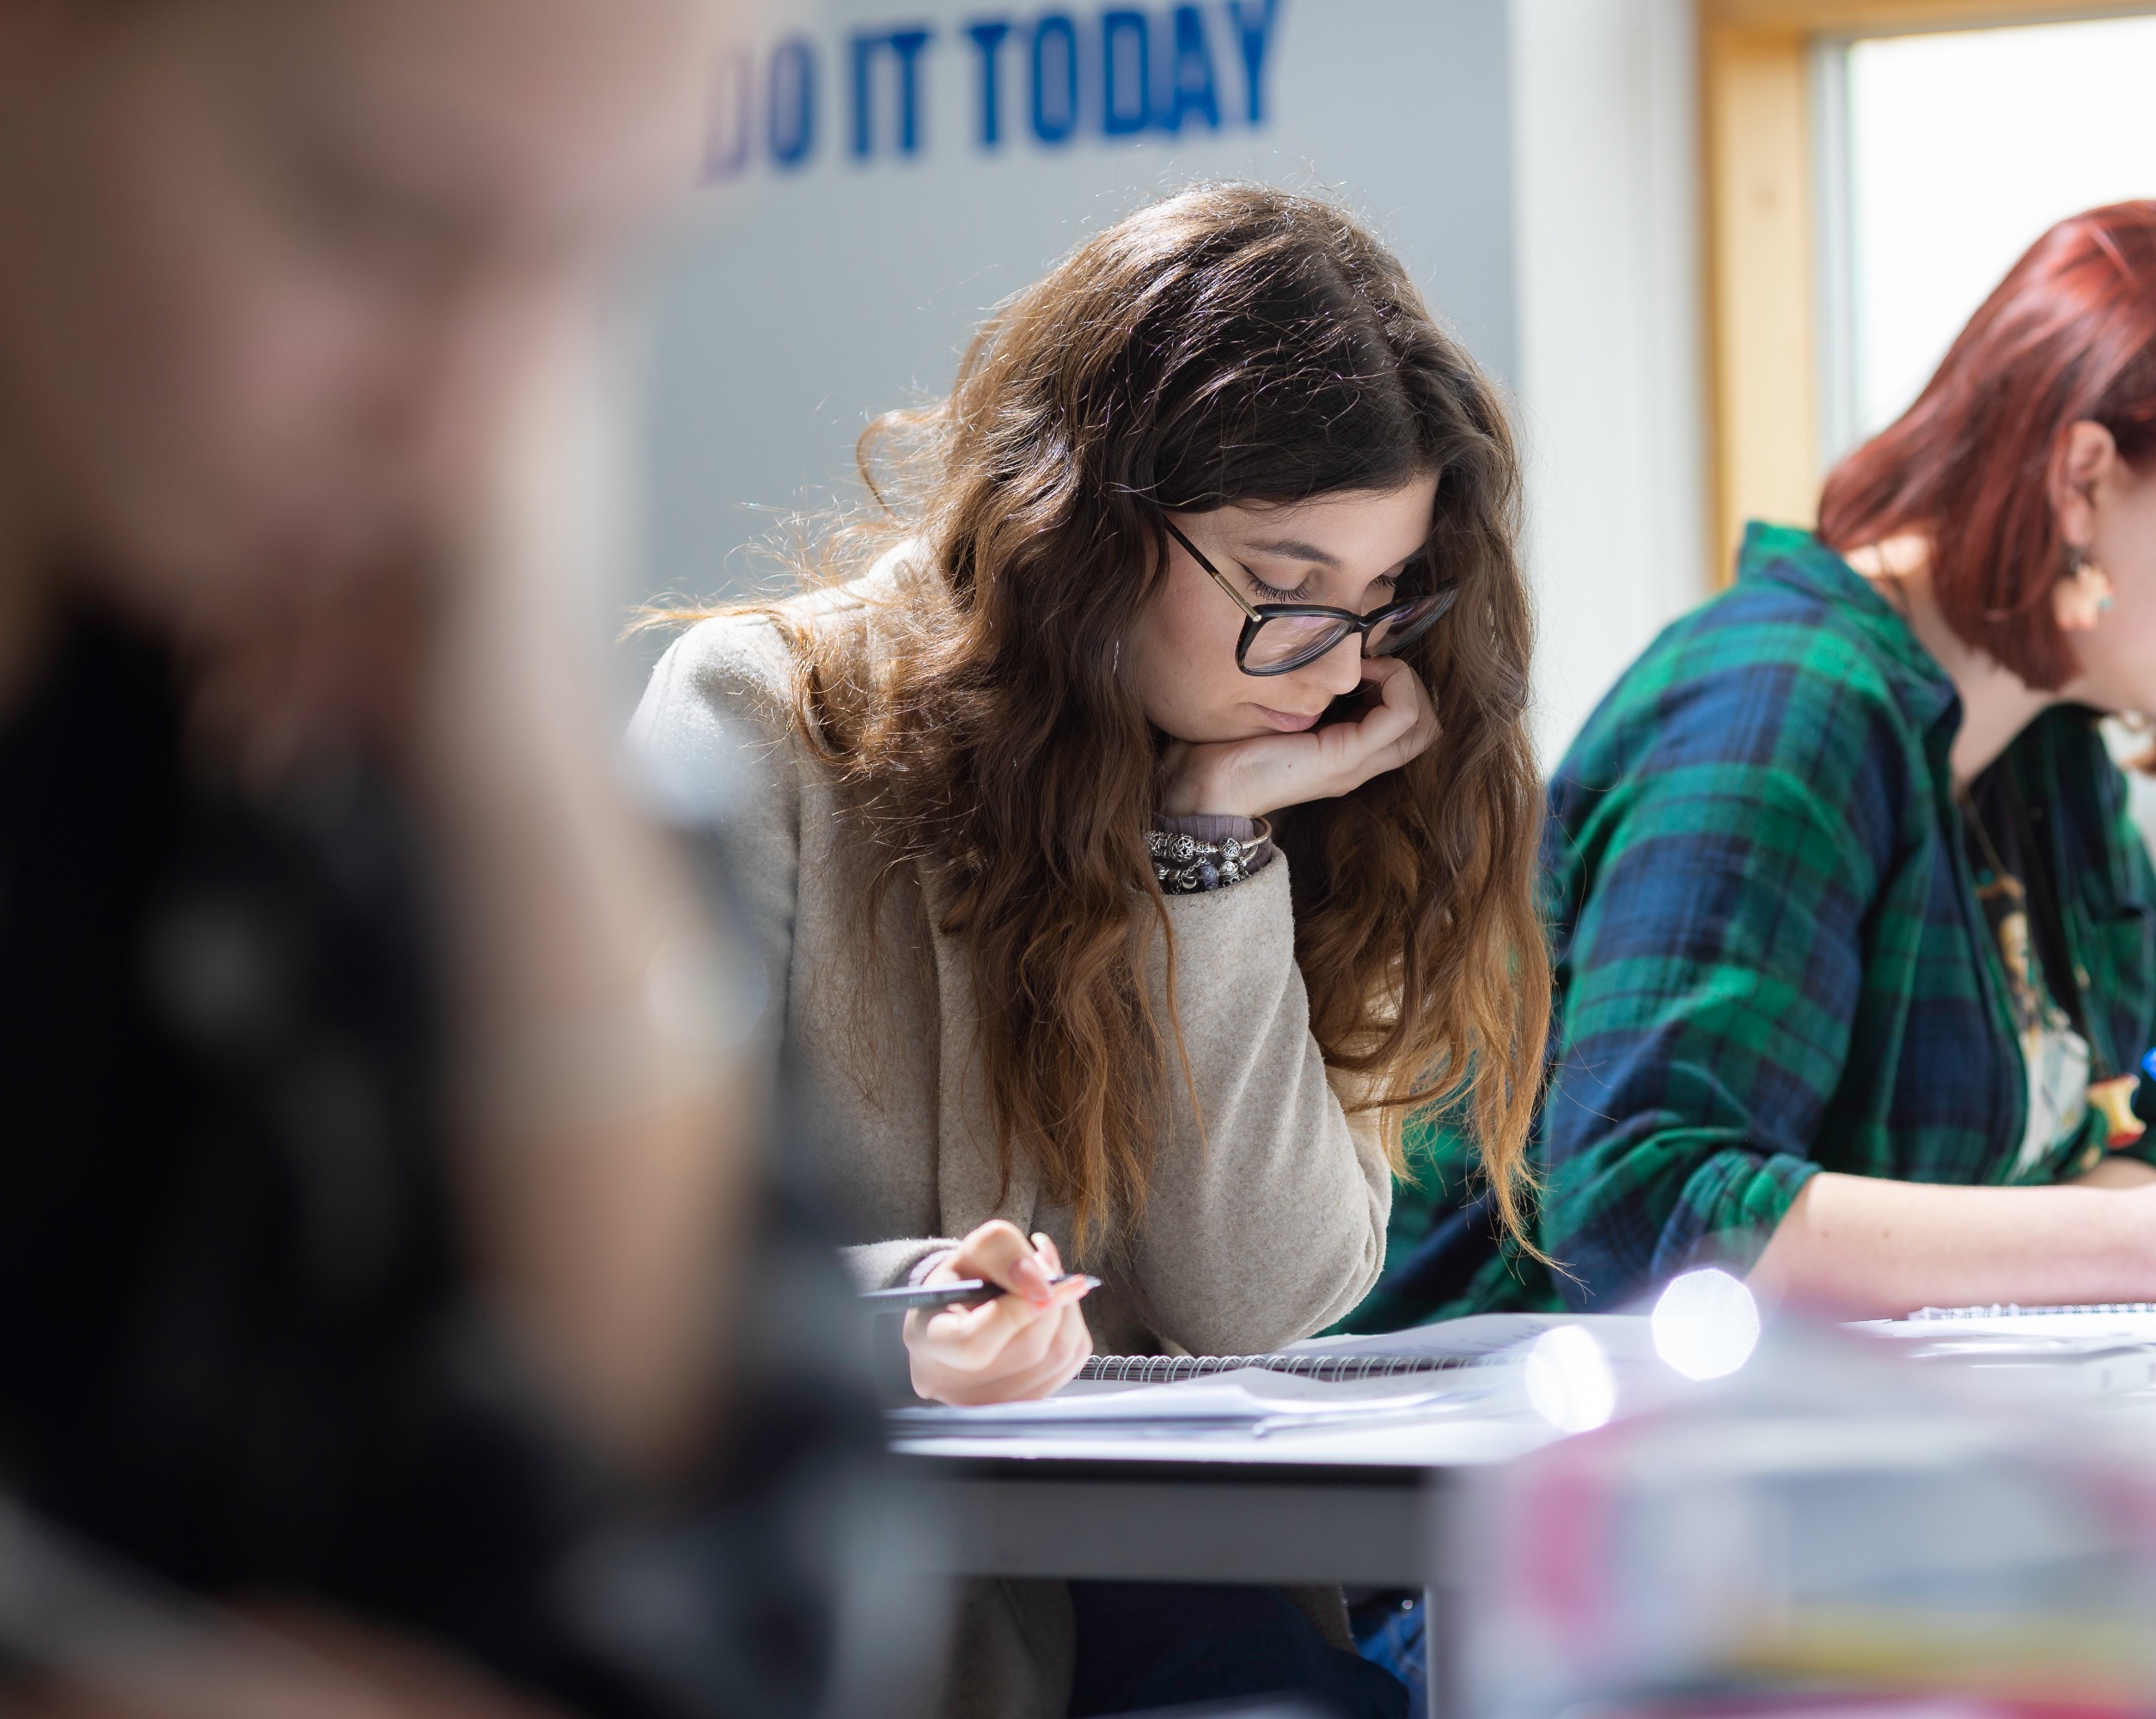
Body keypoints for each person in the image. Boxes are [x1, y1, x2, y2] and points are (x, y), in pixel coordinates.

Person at [0, 1, 916, 1713]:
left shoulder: (326, 717)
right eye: (381, 219)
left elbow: (774, 1605)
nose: (463, 422)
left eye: (595, 265)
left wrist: (523, 792)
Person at [631, 182, 1548, 1716]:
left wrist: (1212, 844)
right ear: (1092, 513)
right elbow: (628, 1249)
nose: (1334, 674)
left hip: (1175, 1595)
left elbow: (1260, 1299)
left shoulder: (1316, 789)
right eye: (1284, 590)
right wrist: (904, 1318)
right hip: (852, 1606)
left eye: (1382, 600)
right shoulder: (763, 718)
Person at [1536, 200, 2156, 1318]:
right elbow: (1645, 1216)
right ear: (2086, 479)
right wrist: (2145, 1240)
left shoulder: (2049, 758)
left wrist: (2149, 1229)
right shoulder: (1779, 704)